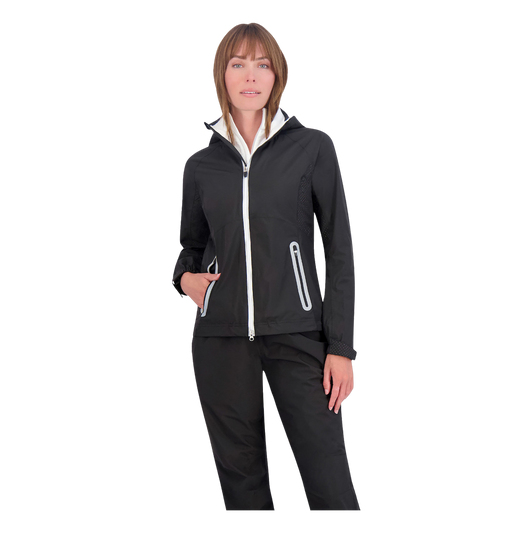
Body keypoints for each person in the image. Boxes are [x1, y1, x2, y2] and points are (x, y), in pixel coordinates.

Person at [170, 20, 362, 513]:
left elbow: (339, 250)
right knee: (242, 487)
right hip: (220, 338)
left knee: (329, 483)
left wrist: (341, 347)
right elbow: (188, 248)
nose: (250, 76)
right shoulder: (200, 165)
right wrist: (185, 278)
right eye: (238, 64)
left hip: (298, 335)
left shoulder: (314, 147)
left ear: (278, 75)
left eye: (261, 64)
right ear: (222, 75)